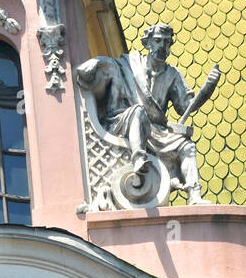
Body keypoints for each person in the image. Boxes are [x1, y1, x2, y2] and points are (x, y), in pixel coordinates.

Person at [76, 23, 218, 201]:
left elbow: (185, 106)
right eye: (158, 41)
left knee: (187, 146)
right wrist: (94, 64)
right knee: (138, 112)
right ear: (147, 43)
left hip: (154, 131)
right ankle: (138, 160)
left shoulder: (172, 74)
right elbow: (107, 66)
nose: (162, 46)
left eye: (167, 43)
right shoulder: (129, 64)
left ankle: (194, 194)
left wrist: (208, 89)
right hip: (121, 122)